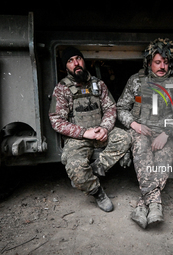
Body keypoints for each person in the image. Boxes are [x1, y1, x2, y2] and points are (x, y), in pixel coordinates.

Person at [117, 38, 173, 228]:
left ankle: (143, 207)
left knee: (162, 163)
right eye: (158, 62)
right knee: (142, 152)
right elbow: (121, 108)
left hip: (164, 133)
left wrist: (167, 133)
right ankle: (156, 204)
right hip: (141, 131)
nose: (162, 67)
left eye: (166, 63)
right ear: (149, 62)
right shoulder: (135, 81)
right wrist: (134, 125)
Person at [49, 46, 131, 212]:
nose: (76, 63)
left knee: (125, 138)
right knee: (75, 168)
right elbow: (56, 120)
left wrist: (104, 128)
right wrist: (83, 132)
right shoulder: (62, 89)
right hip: (78, 139)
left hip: (100, 133)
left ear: (83, 61)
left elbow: (110, 108)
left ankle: (96, 169)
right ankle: (97, 192)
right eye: (70, 61)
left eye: (78, 58)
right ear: (66, 67)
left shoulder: (98, 84)